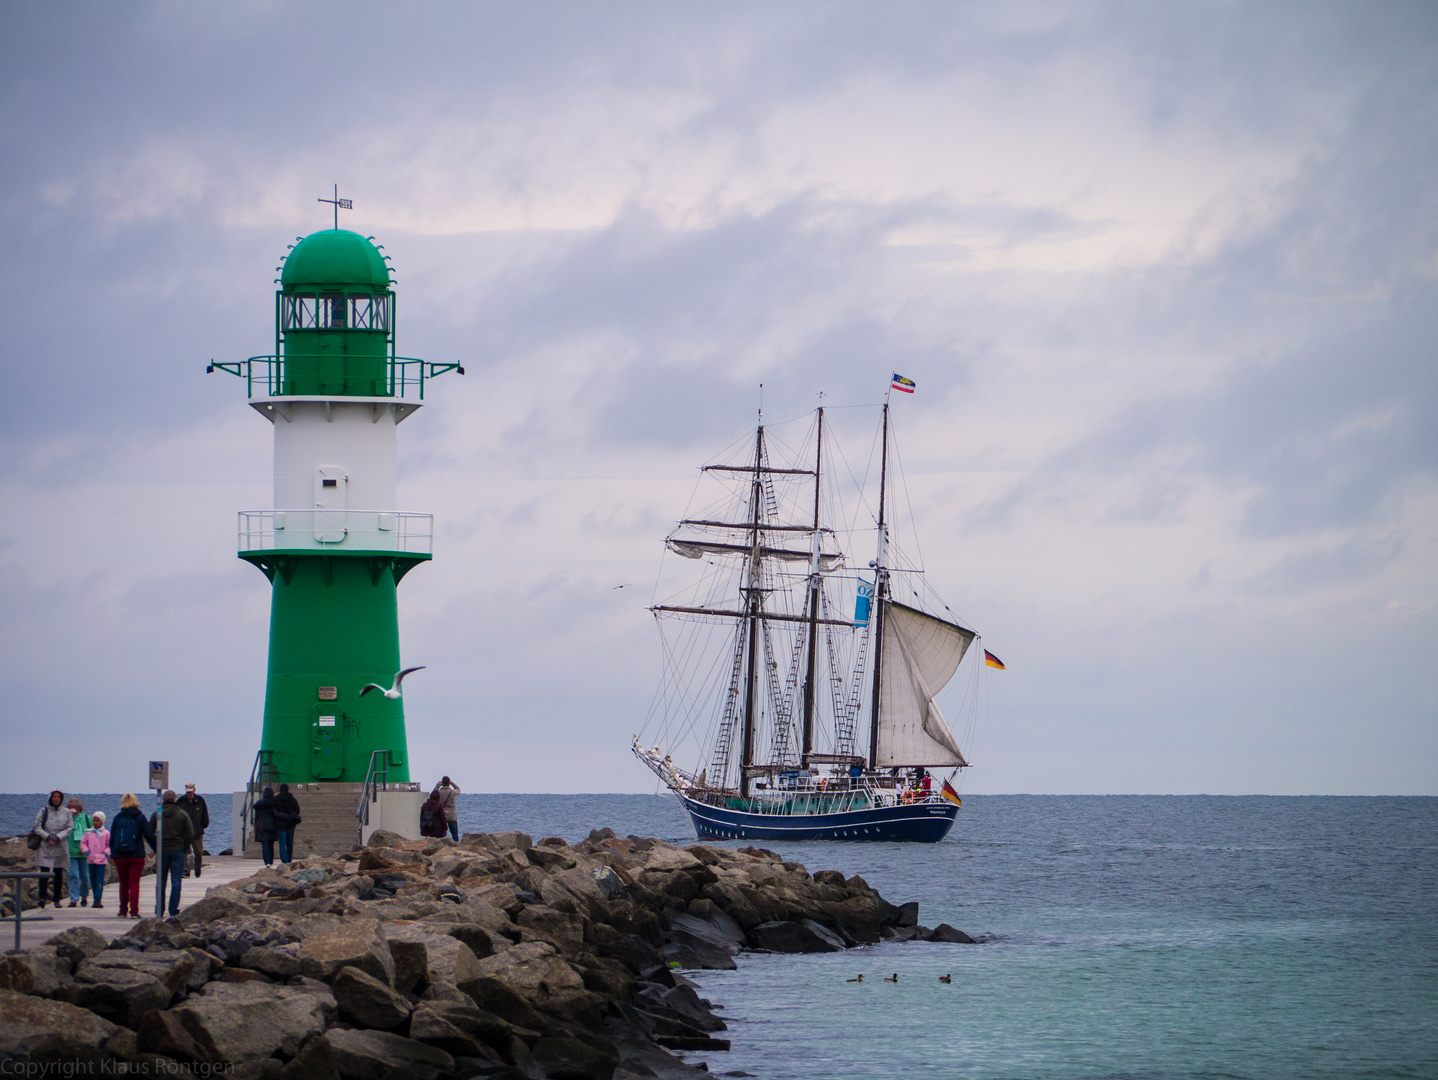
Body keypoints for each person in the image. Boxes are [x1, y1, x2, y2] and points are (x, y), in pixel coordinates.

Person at [148, 790, 194, 918]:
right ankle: (173, 909)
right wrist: (184, 847)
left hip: (162, 851)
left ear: (163, 799)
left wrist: (156, 847)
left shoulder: (157, 814)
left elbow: (149, 832)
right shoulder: (182, 814)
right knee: (176, 880)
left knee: (161, 881)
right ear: (175, 800)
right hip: (177, 850)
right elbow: (189, 834)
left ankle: (159, 909)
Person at [110, 793, 154, 918]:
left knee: (123, 883)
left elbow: (112, 837)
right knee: (134, 883)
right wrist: (157, 848)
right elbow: (149, 835)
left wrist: (113, 855)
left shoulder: (118, 817)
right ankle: (134, 911)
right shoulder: (140, 817)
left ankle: (122, 910)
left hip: (120, 855)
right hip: (136, 855)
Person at [30, 791, 72, 908]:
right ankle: (42, 897)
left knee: (58, 872)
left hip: (60, 845)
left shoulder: (67, 812)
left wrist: (58, 837)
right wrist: (47, 836)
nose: (56, 799)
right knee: (44, 871)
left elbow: (69, 828)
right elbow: (37, 826)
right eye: (54, 797)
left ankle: (57, 899)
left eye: (58, 797)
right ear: (50, 798)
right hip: (45, 845)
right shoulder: (44, 810)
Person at [177, 783, 210, 877]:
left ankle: (197, 867)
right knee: (183, 852)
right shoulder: (181, 801)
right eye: (188, 792)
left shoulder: (200, 800)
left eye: (191, 792)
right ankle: (185, 870)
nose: (189, 793)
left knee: (199, 852)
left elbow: (205, 816)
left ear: (194, 790)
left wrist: (202, 827)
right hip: (184, 832)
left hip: (197, 832)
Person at [65, 797, 93, 908]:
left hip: (84, 852)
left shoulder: (86, 818)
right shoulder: (66, 819)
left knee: (85, 877)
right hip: (71, 852)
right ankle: (73, 899)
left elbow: (92, 834)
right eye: (70, 807)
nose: (73, 809)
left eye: (75, 807)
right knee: (73, 875)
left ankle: (84, 896)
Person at [81, 811, 111, 910]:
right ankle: (94, 897)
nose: (95, 823)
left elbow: (109, 845)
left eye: (97, 820)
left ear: (102, 821)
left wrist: (106, 853)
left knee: (99, 880)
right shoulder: (88, 832)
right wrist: (86, 851)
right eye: (94, 820)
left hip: (101, 860)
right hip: (91, 860)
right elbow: (83, 843)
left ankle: (98, 899)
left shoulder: (106, 833)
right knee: (93, 880)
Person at [274, 783, 302, 864]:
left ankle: (284, 861)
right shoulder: (292, 799)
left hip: (281, 824)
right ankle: (289, 860)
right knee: (290, 844)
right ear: (288, 789)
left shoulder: (276, 799)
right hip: (291, 824)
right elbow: (297, 810)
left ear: (280, 789)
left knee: (282, 844)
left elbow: (275, 812)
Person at [252, 786, 278, 866]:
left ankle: (266, 862)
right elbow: (276, 814)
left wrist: (256, 826)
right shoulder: (274, 803)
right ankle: (270, 861)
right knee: (271, 844)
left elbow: (256, 817)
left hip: (262, 825)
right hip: (272, 825)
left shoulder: (259, 804)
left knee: (265, 844)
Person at [436, 776, 461, 840]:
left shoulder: (439, 792)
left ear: (442, 783)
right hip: (451, 816)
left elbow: (433, 795)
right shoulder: (452, 792)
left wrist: (437, 786)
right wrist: (452, 783)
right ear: (448, 783)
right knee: (454, 833)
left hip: (442, 815)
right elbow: (458, 789)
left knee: (442, 833)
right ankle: (456, 846)